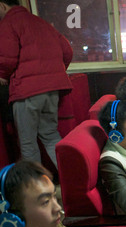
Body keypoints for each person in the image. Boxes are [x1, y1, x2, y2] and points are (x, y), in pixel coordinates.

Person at [0, 1, 73, 169]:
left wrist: (2, 74)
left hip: (27, 91)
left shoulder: (9, 23)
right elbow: (67, 51)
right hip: (52, 90)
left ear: (2, 6)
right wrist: (54, 72)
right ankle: (71, 179)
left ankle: (36, 189)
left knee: (27, 143)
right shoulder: (41, 22)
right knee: (51, 136)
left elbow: (6, 56)